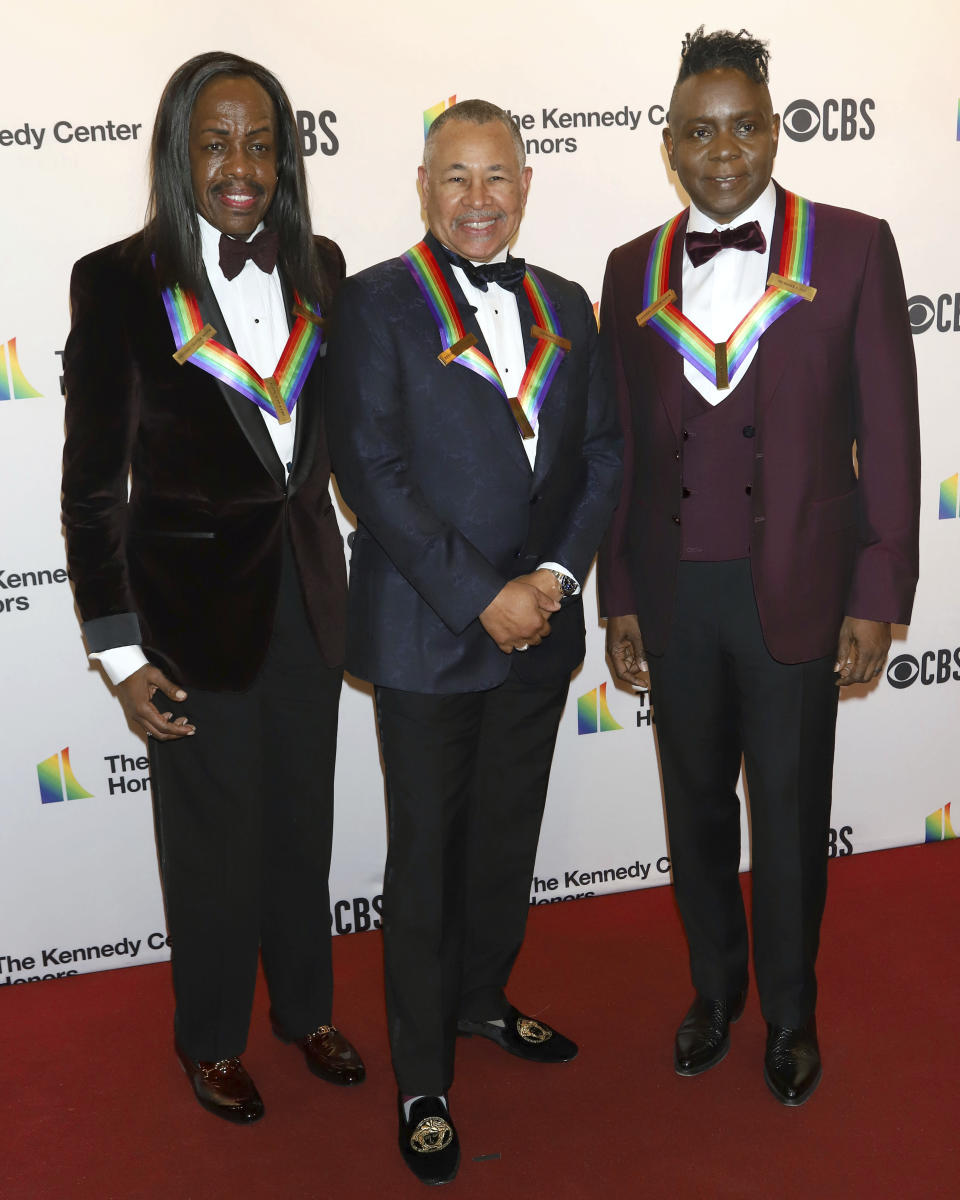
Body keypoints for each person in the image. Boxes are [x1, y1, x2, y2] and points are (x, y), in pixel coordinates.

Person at [598, 27, 920, 1107]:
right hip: (676, 592)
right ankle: (713, 994)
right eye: (700, 130)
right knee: (693, 811)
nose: (723, 149)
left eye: (743, 126)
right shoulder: (629, 268)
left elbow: (894, 436)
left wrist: (878, 594)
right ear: (670, 144)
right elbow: (623, 453)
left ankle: (791, 1012)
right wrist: (623, 597)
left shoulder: (856, 247)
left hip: (798, 594)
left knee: (787, 816)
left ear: (774, 129)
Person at [61, 51, 364, 1124]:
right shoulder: (116, 281)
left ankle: (307, 1010)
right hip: (187, 616)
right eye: (216, 142)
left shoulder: (319, 263)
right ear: (179, 152)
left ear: (285, 158)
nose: (240, 165)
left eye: (261, 143)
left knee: (301, 822)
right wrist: (120, 649)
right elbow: (93, 488)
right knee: (210, 845)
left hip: (308, 598)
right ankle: (212, 1038)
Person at [325, 99, 621, 1183]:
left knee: (505, 836)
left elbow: (600, 459)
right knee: (427, 860)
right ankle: (421, 1075)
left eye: (497, 177)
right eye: (457, 178)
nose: (479, 200)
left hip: (539, 628)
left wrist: (548, 581)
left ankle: (486, 1000)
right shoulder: (372, 303)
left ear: (527, 186)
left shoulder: (569, 304)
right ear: (422, 185)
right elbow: (372, 474)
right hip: (429, 634)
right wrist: (478, 594)